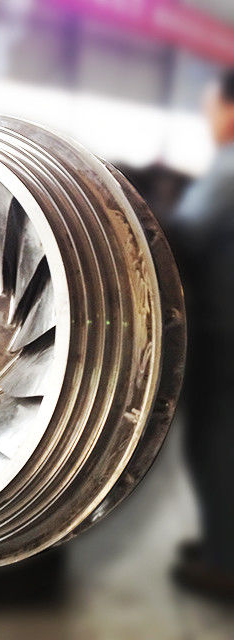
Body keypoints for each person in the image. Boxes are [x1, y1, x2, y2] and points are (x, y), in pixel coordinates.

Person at [167, 69, 234, 600]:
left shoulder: (228, 171)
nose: (209, 119)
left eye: (212, 108)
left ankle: (223, 562)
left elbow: (181, 236)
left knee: (215, 443)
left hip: (224, 333)